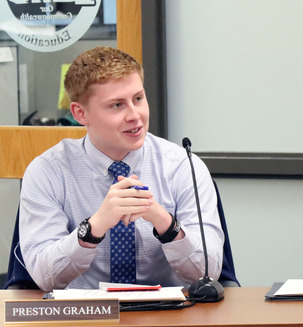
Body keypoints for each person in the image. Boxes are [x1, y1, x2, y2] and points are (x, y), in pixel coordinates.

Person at [19, 46, 224, 291]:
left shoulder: (182, 166)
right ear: (80, 113)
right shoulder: (48, 171)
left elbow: (209, 273)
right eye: (117, 105)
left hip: (170, 318)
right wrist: (93, 228)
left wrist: (164, 222)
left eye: (138, 98)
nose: (135, 115)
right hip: (83, 319)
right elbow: (45, 278)